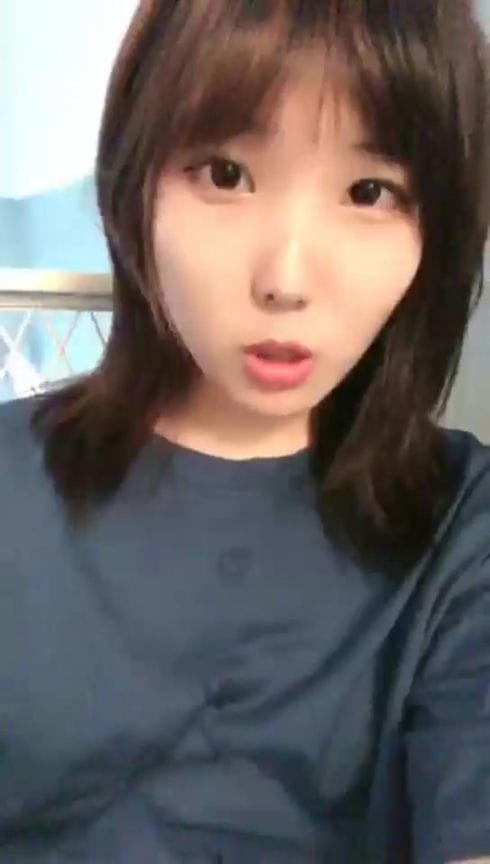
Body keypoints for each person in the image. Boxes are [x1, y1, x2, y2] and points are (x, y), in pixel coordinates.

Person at [0, 1, 489, 862]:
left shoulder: (464, 527)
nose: (285, 279)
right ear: (134, 184)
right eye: (226, 174)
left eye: (368, 192)